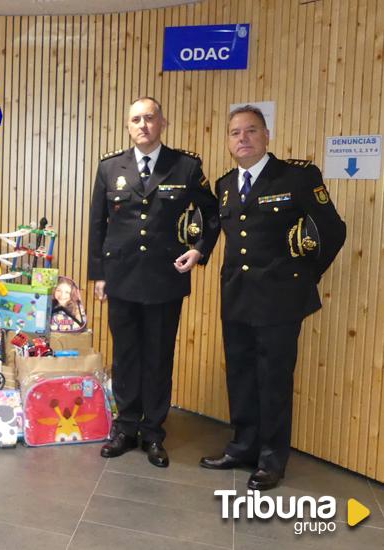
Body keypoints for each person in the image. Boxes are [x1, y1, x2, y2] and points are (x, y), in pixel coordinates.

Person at [199, 105, 346, 490]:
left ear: (267, 137)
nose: (242, 138)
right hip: (236, 297)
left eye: (251, 131)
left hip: (280, 302)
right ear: (229, 142)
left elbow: (332, 230)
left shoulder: (297, 177)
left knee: (274, 380)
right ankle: (242, 447)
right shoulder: (225, 184)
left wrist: (304, 277)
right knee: (241, 376)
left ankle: (271, 459)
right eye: (235, 133)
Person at [88, 96, 220, 468]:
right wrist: (98, 274)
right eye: (135, 120)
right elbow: (97, 224)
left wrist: (199, 251)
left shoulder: (186, 166)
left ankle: (153, 432)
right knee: (126, 354)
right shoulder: (110, 167)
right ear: (128, 126)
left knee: (159, 356)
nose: (142, 125)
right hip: (122, 277)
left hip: (165, 278)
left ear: (163, 123)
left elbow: (212, 215)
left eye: (149, 118)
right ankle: (126, 427)